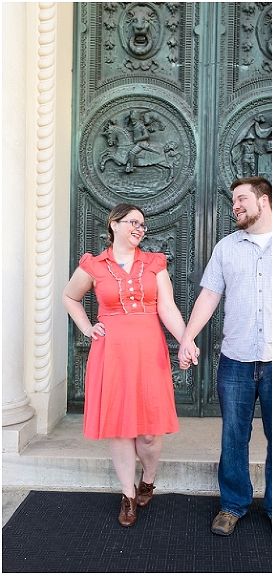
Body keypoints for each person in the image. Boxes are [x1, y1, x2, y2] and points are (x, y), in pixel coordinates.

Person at [178, 176, 272, 540]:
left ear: (264, 201)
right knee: (233, 436)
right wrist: (187, 337)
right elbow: (209, 297)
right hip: (235, 360)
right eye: (233, 201)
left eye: (242, 199)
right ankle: (232, 505)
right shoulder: (227, 248)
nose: (235, 206)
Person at [62, 203, 193, 527]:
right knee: (119, 429)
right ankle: (128, 495)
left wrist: (185, 339)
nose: (139, 228)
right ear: (115, 224)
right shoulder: (94, 265)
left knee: (149, 432)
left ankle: (148, 477)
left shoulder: (154, 263)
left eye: (143, 225)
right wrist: (87, 327)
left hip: (149, 350)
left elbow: (167, 306)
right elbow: (69, 297)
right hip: (112, 353)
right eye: (133, 222)